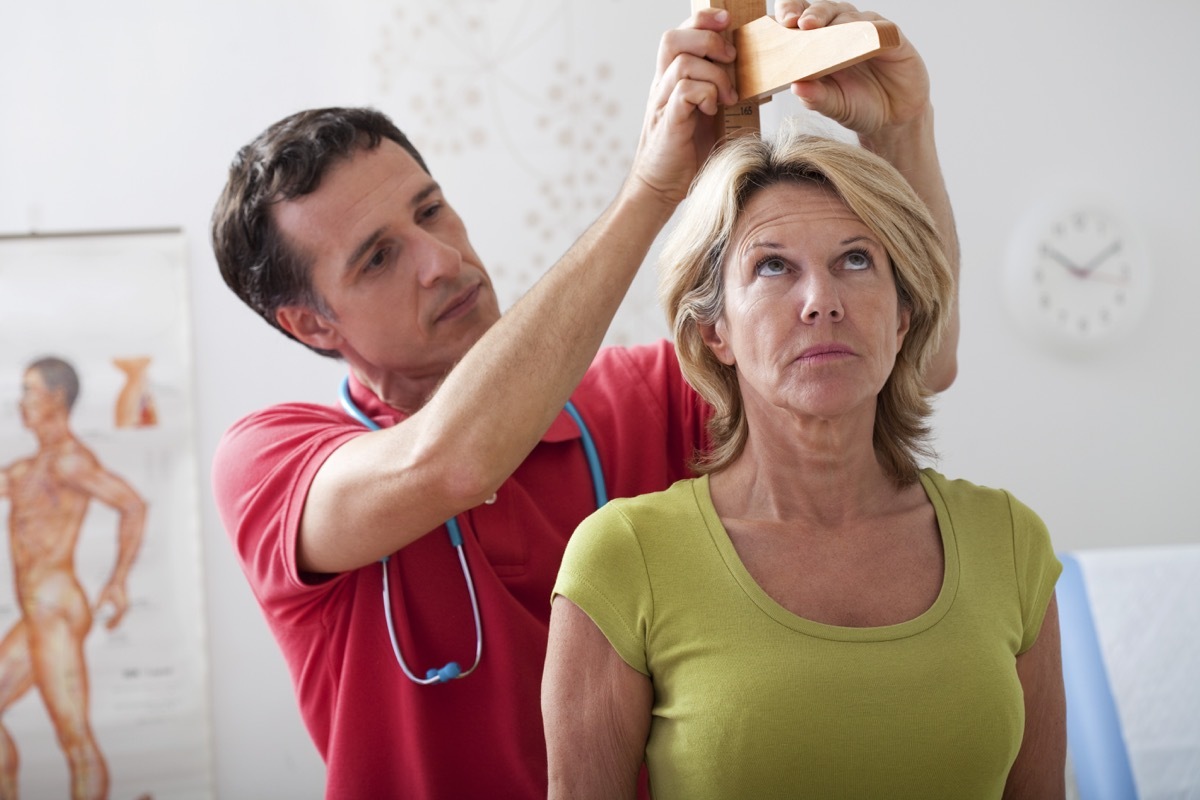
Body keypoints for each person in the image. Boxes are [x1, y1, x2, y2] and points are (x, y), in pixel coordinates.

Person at [209, 2, 961, 796]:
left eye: (430, 209)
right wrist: (649, 189)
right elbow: (453, 462)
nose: (438, 259)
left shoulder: (641, 399)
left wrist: (900, 127)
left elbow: (916, 360)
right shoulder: (270, 462)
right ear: (309, 323)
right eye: (378, 258)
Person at [543, 131, 1065, 799]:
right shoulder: (623, 557)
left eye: (855, 260)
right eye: (771, 267)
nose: (821, 299)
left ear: (903, 316)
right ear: (714, 331)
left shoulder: (1012, 542)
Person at [0, 357, 148, 800]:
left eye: (29, 390)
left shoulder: (69, 461)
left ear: (56, 397)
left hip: (56, 610)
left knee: (74, 737)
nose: (20, 401)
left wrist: (119, 581)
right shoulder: (28, 469)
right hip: (37, 613)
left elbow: (133, 505)